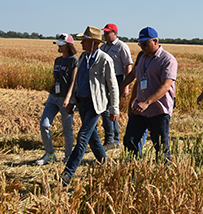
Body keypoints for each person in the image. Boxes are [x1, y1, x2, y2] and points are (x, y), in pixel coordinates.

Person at [60, 26, 119, 185]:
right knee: (93, 140)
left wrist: (114, 108)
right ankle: (106, 166)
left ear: (94, 43)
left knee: (82, 137)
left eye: (84, 41)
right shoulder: (82, 58)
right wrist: (72, 102)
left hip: (95, 106)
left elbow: (113, 86)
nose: (81, 44)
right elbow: (77, 82)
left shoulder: (104, 59)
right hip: (82, 104)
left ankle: (67, 175)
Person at [122, 27, 178, 161]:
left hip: (159, 110)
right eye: (140, 44)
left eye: (145, 43)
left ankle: (164, 176)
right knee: (129, 141)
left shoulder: (168, 60)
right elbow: (134, 74)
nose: (142, 47)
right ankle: (133, 173)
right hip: (140, 110)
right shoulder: (142, 57)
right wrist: (121, 86)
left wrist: (147, 102)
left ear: (156, 41)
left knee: (161, 147)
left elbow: (165, 86)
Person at [37, 34, 78, 166]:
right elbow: (56, 80)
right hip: (53, 97)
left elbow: (73, 81)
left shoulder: (74, 60)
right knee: (44, 125)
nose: (59, 46)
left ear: (68, 45)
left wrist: (68, 99)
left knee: (67, 130)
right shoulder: (57, 60)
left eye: (61, 44)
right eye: (58, 44)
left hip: (65, 99)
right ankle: (50, 154)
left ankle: (68, 157)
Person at [99, 23, 134, 150]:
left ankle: (113, 139)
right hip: (104, 80)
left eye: (108, 32)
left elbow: (128, 65)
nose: (105, 35)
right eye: (105, 32)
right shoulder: (103, 47)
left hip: (117, 80)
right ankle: (112, 138)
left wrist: (126, 85)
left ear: (114, 33)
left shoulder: (121, 47)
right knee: (105, 109)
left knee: (110, 109)